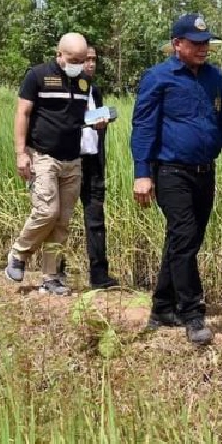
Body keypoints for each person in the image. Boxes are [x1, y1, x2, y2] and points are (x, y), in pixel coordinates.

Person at [131, 13, 222, 346]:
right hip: (170, 172)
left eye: (206, 43)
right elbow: (143, 127)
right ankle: (192, 313)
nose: (203, 48)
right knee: (183, 236)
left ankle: (162, 308)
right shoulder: (159, 77)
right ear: (177, 44)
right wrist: (142, 173)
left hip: (204, 172)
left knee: (186, 241)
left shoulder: (215, 78)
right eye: (196, 43)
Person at [4, 33, 97, 295]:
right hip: (43, 155)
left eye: (83, 59)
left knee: (63, 221)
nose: (80, 64)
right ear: (59, 55)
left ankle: (51, 277)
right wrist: (21, 153)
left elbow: (75, 117)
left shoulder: (84, 82)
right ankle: (18, 253)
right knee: (47, 211)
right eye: (74, 59)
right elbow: (22, 113)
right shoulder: (38, 76)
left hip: (73, 159)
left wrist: (95, 120)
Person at [77, 44, 119, 289]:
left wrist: (101, 124)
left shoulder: (95, 91)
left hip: (93, 161)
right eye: (86, 59)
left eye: (94, 59)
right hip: (70, 161)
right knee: (60, 219)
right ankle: (55, 272)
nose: (91, 64)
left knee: (96, 218)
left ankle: (99, 275)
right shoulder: (65, 90)